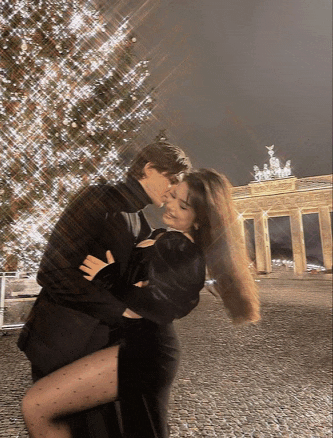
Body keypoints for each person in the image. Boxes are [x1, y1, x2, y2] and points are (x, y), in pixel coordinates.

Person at [21, 169, 260, 438]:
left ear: (200, 220)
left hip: (143, 353)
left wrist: (108, 277)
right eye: (173, 196)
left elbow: (153, 306)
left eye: (183, 206)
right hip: (134, 347)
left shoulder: (181, 249)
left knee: (37, 405)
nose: (170, 205)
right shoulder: (162, 235)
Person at [17, 141, 192, 438]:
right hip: (64, 345)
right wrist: (120, 310)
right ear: (148, 169)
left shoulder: (140, 220)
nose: (173, 190)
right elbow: (53, 271)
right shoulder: (96, 198)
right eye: (172, 180)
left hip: (102, 349)